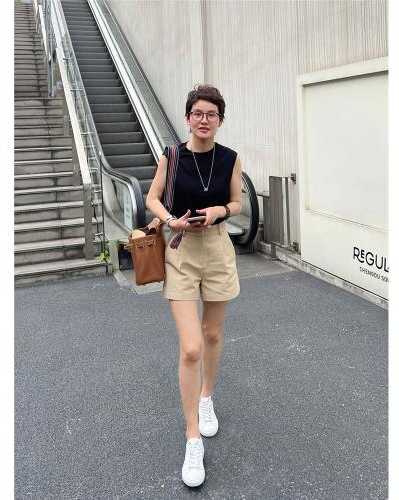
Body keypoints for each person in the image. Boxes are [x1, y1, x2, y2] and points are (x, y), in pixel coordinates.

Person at [146, 84, 242, 487]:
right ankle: (192, 437)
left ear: (220, 120)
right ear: (188, 118)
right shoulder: (171, 156)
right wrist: (171, 221)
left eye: (212, 114)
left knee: (213, 333)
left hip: (217, 249)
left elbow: (237, 203)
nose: (205, 120)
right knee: (191, 347)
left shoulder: (230, 158)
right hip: (181, 250)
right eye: (198, 113)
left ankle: (207, 397)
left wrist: (221, 209)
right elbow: (152, 199)